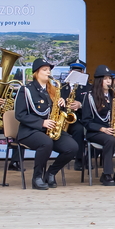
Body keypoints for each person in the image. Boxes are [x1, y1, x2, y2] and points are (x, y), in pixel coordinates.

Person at [13, 58, 79, 190]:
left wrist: (62, 105)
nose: (48, 72)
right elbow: (20, 115)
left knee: (72, 147)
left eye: (49, 70)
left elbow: (55, 112)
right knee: (46, 143)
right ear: (36, 73)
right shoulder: (26, 90)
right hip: (30, 131)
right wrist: (41, 122)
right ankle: (37, 177)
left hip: (51, 130)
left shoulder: (53, 90)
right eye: (44, 70)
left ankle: (51, 173)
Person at [82, 65, 115, 186]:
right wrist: (102, 129)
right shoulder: (90, 96)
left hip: (114, 129)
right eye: (105, 79)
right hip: (96, 131)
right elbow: (85, 121)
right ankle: (106, 174)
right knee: (110, 140)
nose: (109, 81)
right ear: (99, 80)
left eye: (110, 78)